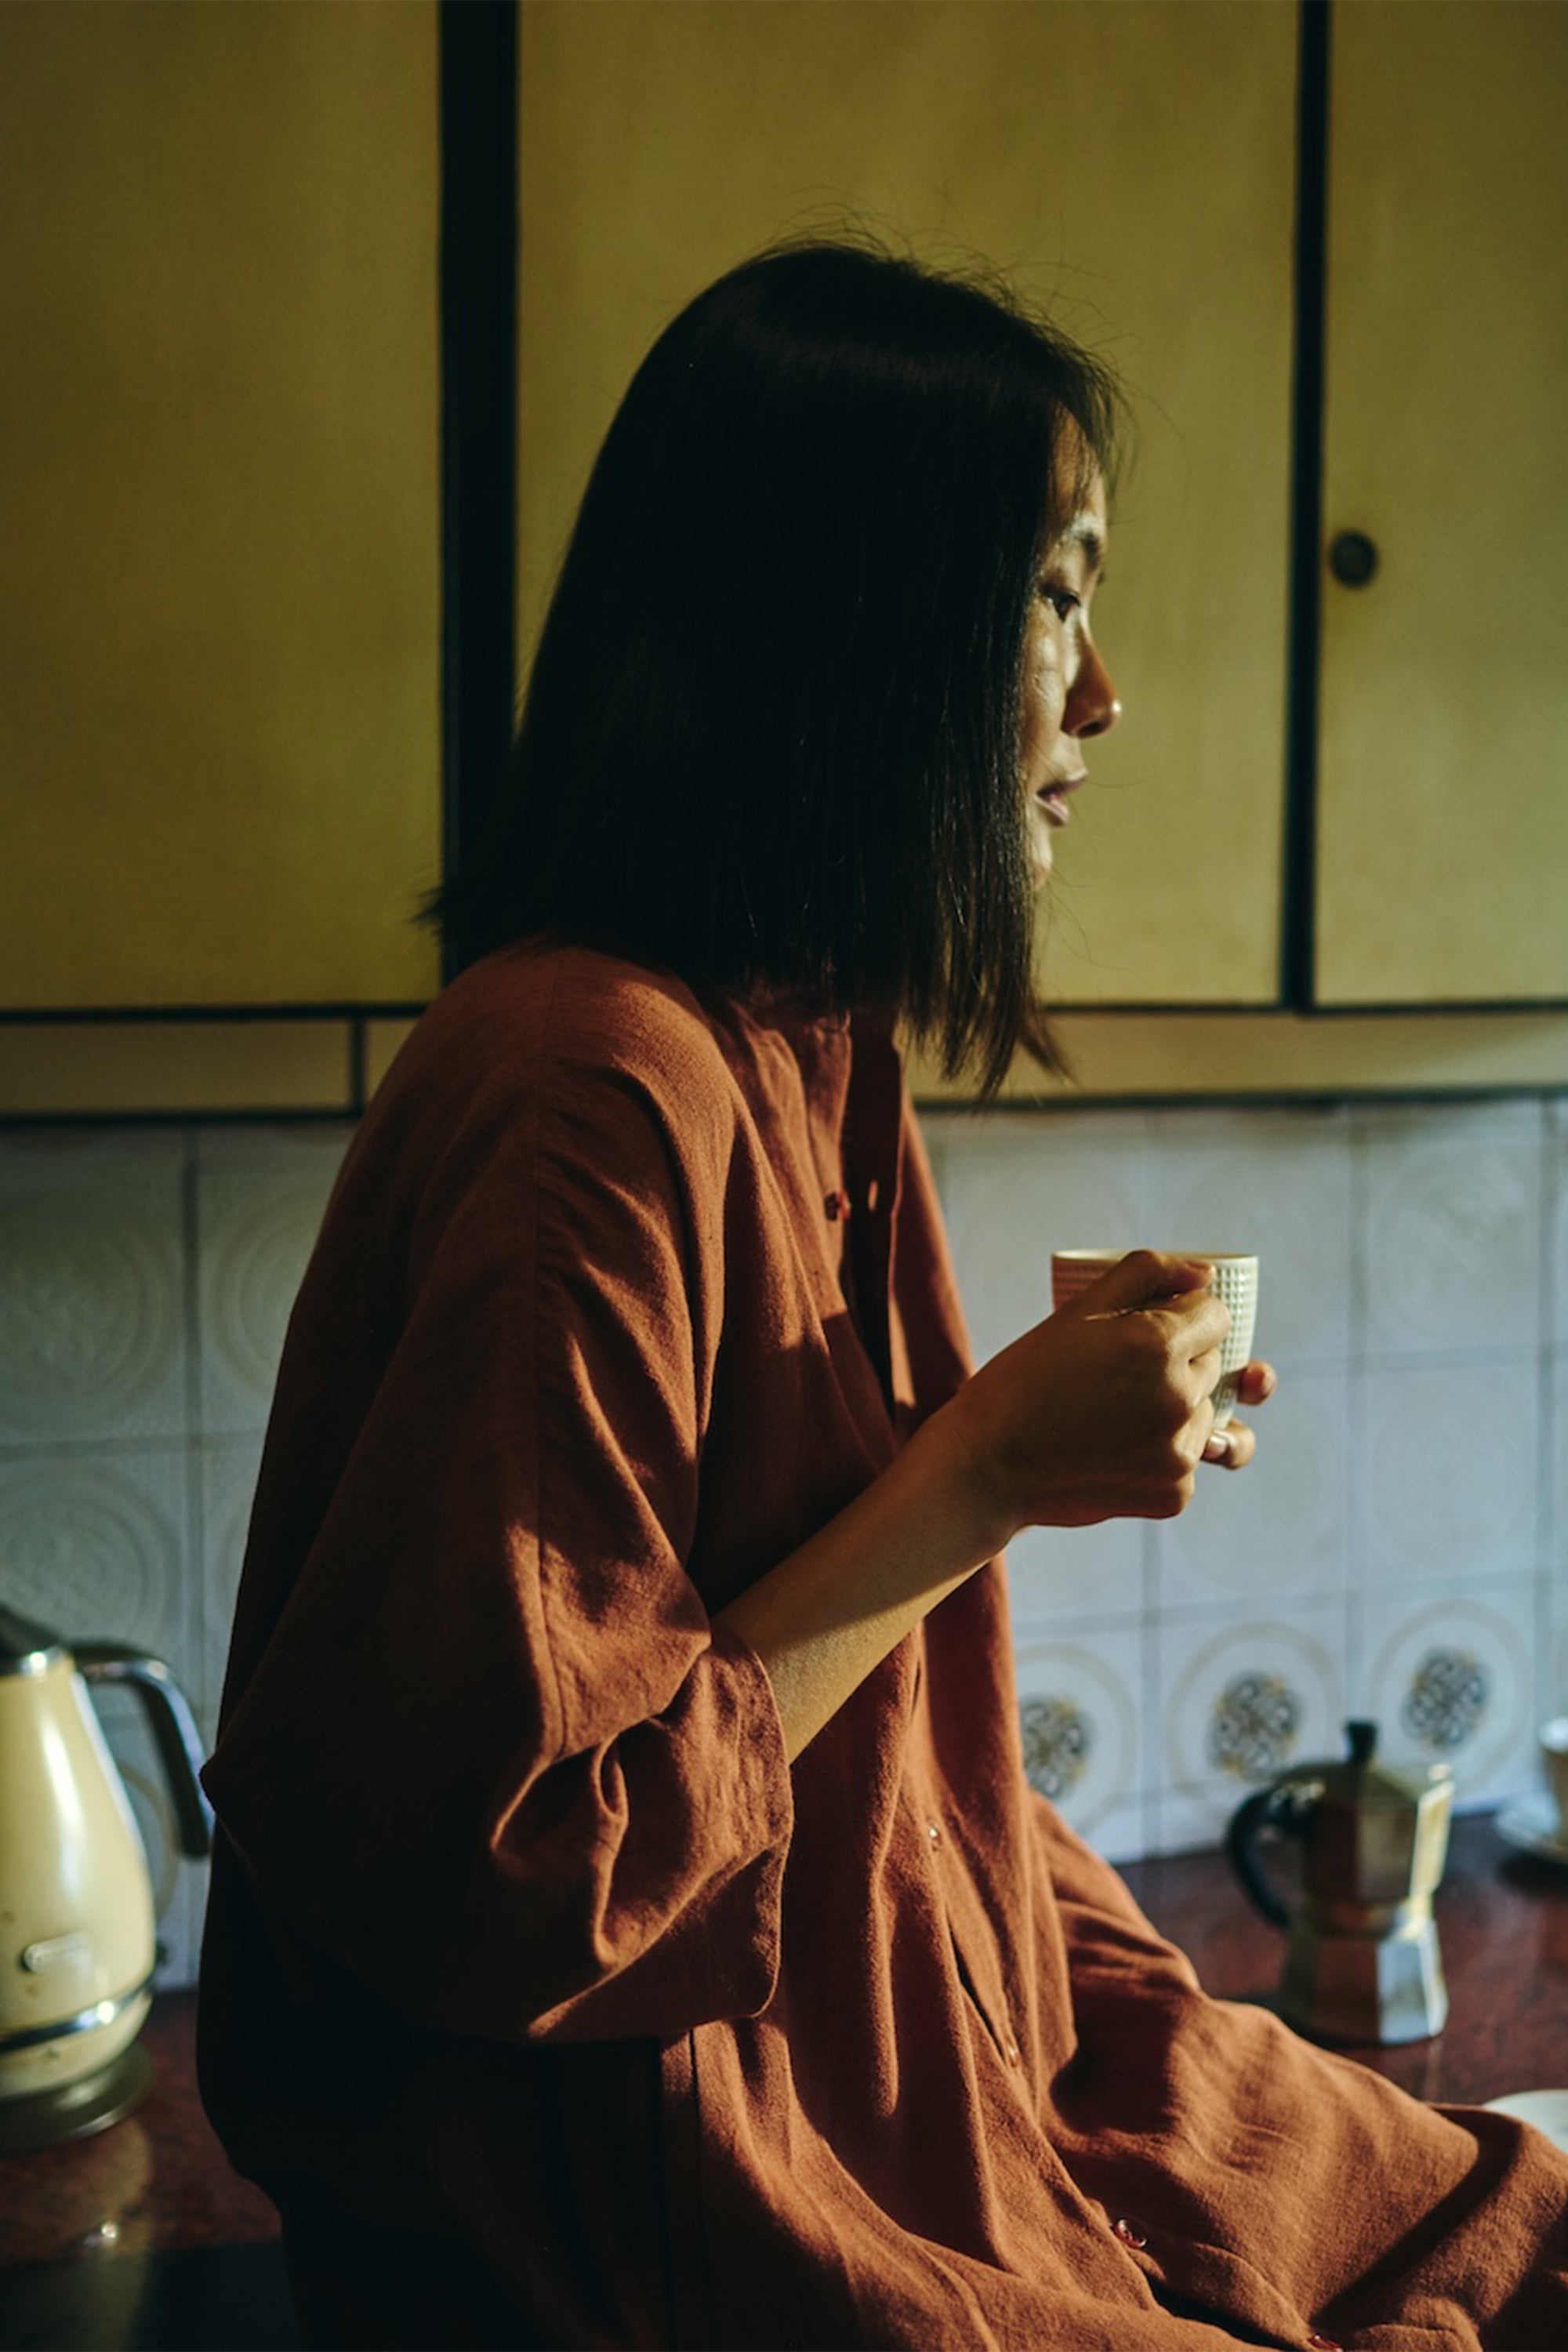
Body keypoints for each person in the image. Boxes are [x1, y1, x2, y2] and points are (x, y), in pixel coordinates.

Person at [198, 240, 1568, 2350]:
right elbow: (519, 1878)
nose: (1102, 690)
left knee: (1498, 2214)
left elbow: (891, 1794)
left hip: (875, 2058)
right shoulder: (591, 1089)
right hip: (635, 2208)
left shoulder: (806, 1049)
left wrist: (1102, 1994)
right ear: (851, 632)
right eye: (1054, 594)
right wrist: (987, 1471)